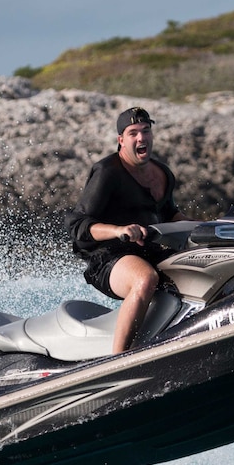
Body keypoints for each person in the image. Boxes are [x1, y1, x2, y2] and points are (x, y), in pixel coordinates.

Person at [65, 107, 188, 353]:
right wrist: (118, 230)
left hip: (147, 251)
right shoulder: (107, 172)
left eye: (146, 131)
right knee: (145, 279)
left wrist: (206, 227)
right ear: (121, 140)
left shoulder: (162, 173)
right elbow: (77, 225)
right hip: (108, 258)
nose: (141, 138)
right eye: (133, 133)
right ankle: (118, 360)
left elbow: (169, 214)